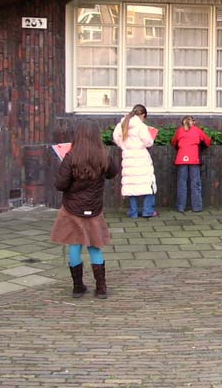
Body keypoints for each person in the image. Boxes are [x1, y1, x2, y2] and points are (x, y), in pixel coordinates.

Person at [50, 120, 120, 299]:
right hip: (94, 208)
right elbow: (113, 173)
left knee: (74, 244)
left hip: (72, 208)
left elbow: (60, 184)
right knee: (95, 246)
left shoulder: (71, 156)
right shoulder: (103, 155)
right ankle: (101, 288)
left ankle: (78, 287)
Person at [113, 104, 158, 218]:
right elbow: (148, 142)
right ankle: (148, 211)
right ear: (143, 115)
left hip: (128, 156)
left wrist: (124, 147)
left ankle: (133, 212)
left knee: (131, 184)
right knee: (148, 184)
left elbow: (116, 138)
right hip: (141, 157)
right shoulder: (141, 126)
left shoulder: (122, 124)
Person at [171, 115, 212, 213]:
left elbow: (173, 142)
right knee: (195, 183)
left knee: (182, 183)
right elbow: (207, 141)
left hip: (181, 159)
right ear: (193, 122)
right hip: (194, 159)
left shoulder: (179, 131)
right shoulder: (197, 130)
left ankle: (181, 207)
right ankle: (197, 207)